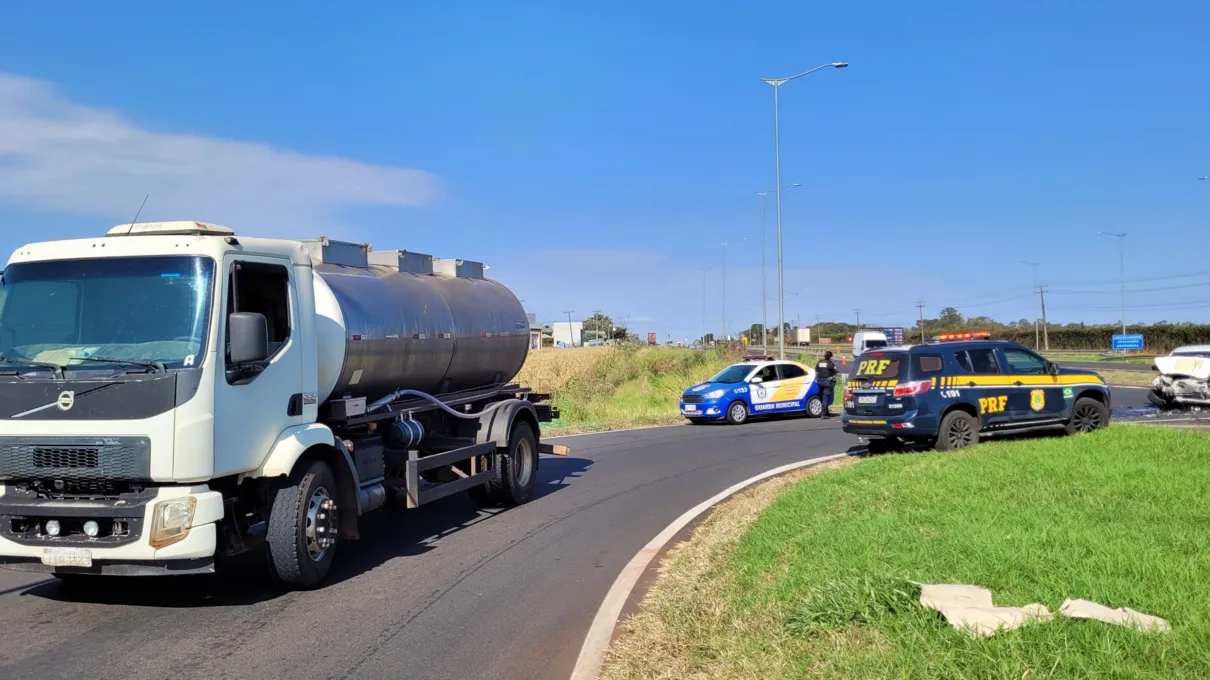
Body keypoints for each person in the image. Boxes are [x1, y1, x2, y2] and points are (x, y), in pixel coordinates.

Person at [815, 351, 838, 417]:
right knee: (825, 398)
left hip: (820, 382)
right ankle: (823, 414)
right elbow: (835, 372)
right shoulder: (830, 363)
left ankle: (826, 412)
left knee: (823, 397)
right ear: (830, 356)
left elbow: (816, 370)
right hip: (827, 382)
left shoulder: (819, 362)